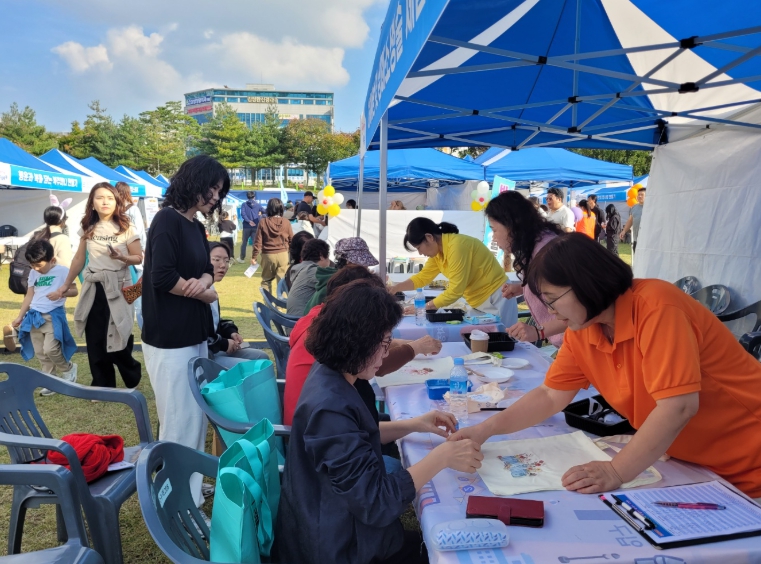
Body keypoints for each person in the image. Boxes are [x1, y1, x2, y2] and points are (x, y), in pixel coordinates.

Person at [449, 233, 761, 501]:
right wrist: (485, 430)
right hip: (699, 467)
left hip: (749, 466)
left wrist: (616, 471)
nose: (549, 311)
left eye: (552, 299)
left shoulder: (657, 307)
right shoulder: (584, 328)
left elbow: (677, 407)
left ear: (586, 284)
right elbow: (550, 395)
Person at [277, 279, 483, 564]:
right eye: (385, 343)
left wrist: (414, 424)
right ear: (358, 341)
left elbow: (357, 436)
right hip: (338, 547)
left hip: (336, 525)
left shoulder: (330, 372)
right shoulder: (329, 408)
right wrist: (442, 457)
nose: (386, 353)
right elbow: (376, 502)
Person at [141, 155, 228, 508]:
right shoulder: (167, 220)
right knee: (179, 421)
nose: (215, 197)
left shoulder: (195, 226)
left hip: (194, 334)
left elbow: (206, 268)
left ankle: (188, 489)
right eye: (212, 188)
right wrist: (202, 292)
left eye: (220, 192)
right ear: (194, 182)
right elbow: (161, 276)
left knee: (194, 418)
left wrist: (204, 282)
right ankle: (177, 504)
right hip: (170, 338)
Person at [284, 264, 442, 426]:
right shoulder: (334, 407)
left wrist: (398, 343)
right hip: (309, 425)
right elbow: (373, 363)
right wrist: (414, 348)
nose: (385, 353)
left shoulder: (325, 324)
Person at [48, 182, 143, 389]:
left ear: (116, 201)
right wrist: (65, 285)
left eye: (109, 198)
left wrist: (122, 257)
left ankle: (131, 375)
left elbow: (138, 257)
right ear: (92, 202)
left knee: (120, 333)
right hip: (94, 288)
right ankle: (102, 384)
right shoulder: (88, 227)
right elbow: (78, 259)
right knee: (95, 338)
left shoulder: (126, 226)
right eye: (99, 198)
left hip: (119, 287)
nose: (105, 202)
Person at [387, 218, 518, 326]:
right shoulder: (438, 253)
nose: (420, 253)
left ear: (429, 237)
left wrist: (425, 307)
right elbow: (422, 278)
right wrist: (396, 288)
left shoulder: (457, 246)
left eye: (419, 248)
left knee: (505, 339)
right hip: (478, 302)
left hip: (497, 297)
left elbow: (455, 290)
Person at [485, 191, 566, 348]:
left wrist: (538, 332)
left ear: (511, 226)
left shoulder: (546, 254)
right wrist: (524, 288)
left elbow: (578, 309)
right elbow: (548, 284)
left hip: (583, 341)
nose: (494, 238)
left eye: (494, 230)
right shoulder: (534, 245)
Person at [12, 240, 78, 395]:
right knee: (40, 352)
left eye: (38, 265)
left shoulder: (63, 271)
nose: (35, 268)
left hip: (52, 315)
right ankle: (50, 381)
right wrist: (20, 316)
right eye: (32, 265)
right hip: (34, 316)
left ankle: (68, 369)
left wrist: (60, 293)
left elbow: (74, 291)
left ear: (52, 260)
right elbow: (29, 295)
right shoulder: (33, 273)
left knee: (51, 349)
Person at [207, 242, 269, 368]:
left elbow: (215, 322)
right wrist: (224, 344)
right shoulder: (198, 291)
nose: (223, 265)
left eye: (226, 261)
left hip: (217, 348)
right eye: (216, 260)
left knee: (262, 357)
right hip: (206, 354)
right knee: (255, 367)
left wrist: (231, 332)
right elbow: (201, 334)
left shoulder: (211, 287)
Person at [303, 237, 379, 314]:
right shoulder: (336, 286)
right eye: (363, 265)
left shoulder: (336, 279)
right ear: (349, 263)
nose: (366, 269)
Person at [115, 181, 147, 329]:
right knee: (136, 296)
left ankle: (129, 329)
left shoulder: (116, 211)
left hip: (120, 258)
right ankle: (143, 328)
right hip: (134, 258)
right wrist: (144, 251)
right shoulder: (132, 209)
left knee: (127, 297)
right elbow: (140, 233)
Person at [251, 198, 293, 294]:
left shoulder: (263, 222)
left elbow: (258, 242)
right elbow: (292, 240)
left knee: (266, 281)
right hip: (283, 255)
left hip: (268, 255)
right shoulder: (286, 222)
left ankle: (268, 302)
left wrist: (254, 257)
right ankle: (282, 301)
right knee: (282, 282)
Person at [286, 238, 330, 316]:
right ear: (321, 256)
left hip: (293, 318)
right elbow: (336, 282)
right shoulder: (311, 271)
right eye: (328, 257)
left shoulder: (300, 268)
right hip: (301, 320)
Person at [238, 191, 263, 263]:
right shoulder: (258, 205)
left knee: (244, 243)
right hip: (255, 226)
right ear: (254, 196)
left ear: (247, 197)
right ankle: (254, 258)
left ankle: (242, 258)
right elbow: (264, 211)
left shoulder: (244, 204)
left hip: (246, 226)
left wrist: (249, 221)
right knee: (255, 243)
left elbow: (243, 214)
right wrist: (259, 217)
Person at [620, 187, 646, 253]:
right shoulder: (634, 207)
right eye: (638, 194)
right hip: (636, 239)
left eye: (642, 195)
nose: (639, 196)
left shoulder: (650, 207)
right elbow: (630, 220)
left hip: (647, 240)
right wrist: (624, 231)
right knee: (637, 258)